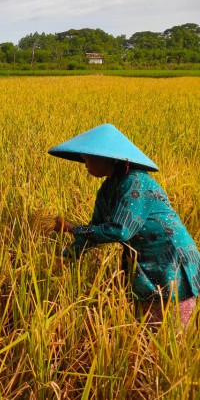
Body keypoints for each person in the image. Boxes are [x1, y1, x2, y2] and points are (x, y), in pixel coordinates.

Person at [48, 124, 200, 328]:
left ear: (107, 157)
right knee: (148, 329)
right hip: (145, 265)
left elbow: (120, 230)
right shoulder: (107, 189)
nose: (85, 163)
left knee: (171, 334)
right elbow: (96, 230)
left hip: (171, 261)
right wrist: (65, 257)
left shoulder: (136, 183)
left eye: (88, 157)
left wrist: (71, 228)